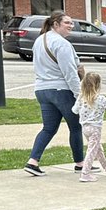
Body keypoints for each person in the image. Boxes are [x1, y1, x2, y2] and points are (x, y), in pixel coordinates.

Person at [23, 11, 87, 177]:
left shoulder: (39, 40)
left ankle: (33, 161)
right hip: (61, 90)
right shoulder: (62, 44)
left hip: (42, 89)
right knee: (76, 126)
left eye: (71, 22)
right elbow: (70, 72)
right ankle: (80, 164)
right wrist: (79, 94)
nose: (71, 26)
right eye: (67, 23)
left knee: (49, 128)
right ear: (55, 24)